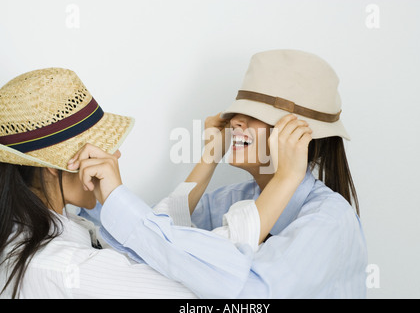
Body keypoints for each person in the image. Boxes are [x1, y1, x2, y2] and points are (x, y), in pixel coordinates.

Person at [70, 50, 368, 298]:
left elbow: (245, 293)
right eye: (239, 111)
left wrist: (288, 177)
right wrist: (209, 156)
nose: (236, 120)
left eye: (256, 115)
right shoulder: (229, 200)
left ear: (302, 135)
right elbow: (159, 243)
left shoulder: (329, 221)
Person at [0, 68, 201, 298]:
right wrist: (118, 198)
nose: (114, 156)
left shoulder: (28, 235)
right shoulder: (68, 266)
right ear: (53, 167)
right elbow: (194, 293)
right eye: (97, 148)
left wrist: (209, 159)